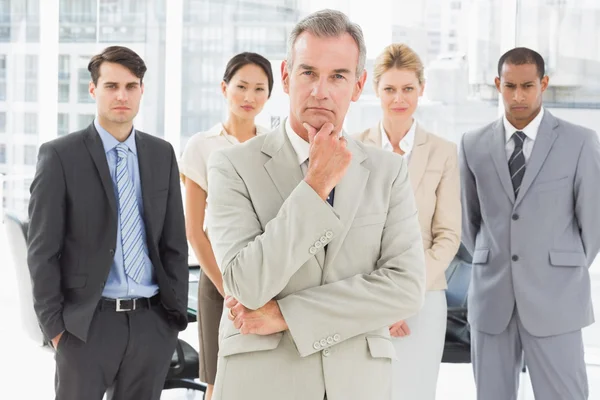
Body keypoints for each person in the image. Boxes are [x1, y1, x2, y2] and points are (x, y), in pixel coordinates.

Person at [206, 9, 426, 400]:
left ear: (357, 86)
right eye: (308, 72)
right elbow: (246, 284)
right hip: (262, 383)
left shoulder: (388, 172)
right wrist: (316, 185)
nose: (320, 90)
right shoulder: (231, 165)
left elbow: (406, 288)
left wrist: (288, 315)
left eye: (338, 76)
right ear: (287, 77)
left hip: (358, 384)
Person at [27, 46, 189, 400]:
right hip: (87, 327)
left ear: (142, 91)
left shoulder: (162, 154)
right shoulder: (60, 156)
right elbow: (42, 252)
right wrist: (56, 329)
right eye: (111, 85)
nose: (121, 95)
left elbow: (174, 242)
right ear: (93, 89)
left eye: (131, 86)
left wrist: (171, 318)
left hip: (151, 324)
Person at [460, 47, 600, 400]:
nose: (518, 96)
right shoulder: (472, 144)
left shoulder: (580, 142)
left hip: (557, 300)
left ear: (544, 84)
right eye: (509, 86)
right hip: (492, 302)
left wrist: (559, 269)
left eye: (527, 86)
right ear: (497, 85)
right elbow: (467, 221)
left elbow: (593, 224)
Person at [353, 43, 460, 400]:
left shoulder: (443, 151)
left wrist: (405, 297)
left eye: (408, 89)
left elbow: (447, 236)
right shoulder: (354, 147)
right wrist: (382, 301)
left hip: (424, 299)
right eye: (390, 89)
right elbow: (347, 232)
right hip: (366, 296)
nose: (399, 98)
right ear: (374, 89)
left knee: (415, 391)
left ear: (422, 89)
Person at [179, 51, 273, 400]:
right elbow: (194, 231)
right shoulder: (202, 147)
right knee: (219, 383)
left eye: (259, 89)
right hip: (220, 281)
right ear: (224, 88)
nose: (249, 97)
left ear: (268, 96)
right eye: (241, 86)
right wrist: (230, 290)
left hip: (268, 281)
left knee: (265, 381)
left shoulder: (273, 145)